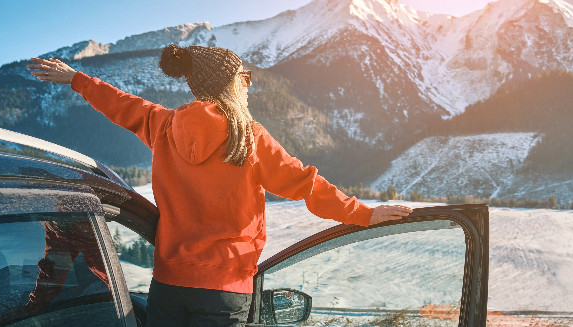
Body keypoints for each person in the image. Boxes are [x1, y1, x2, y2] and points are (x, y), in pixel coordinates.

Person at [28, 44, 412, 327]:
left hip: (168, 286)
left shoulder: (162, 126)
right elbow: (307, 186)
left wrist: (76, 78)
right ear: (231, 84)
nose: (248, 85)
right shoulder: (248, 138)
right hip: (225, 290)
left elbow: (120, 105)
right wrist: (365, 213)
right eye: (245, 78)